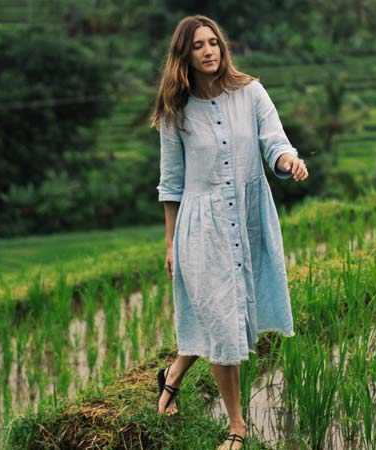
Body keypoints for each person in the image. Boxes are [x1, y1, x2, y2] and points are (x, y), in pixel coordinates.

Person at [149, 14, 308, 450]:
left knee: (228, 315)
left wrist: (287, 161)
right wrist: (169, 244)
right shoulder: (174, 112)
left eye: (213, 42)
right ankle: (238, 428)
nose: (208, 51)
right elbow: (171, 184)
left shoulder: (251, 92)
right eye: (198, 45)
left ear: (223, 48)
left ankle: (173, 375)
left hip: (249, 218)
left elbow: (275, 142)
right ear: (184, 55)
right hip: (200, 228)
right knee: (221, 321)